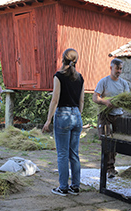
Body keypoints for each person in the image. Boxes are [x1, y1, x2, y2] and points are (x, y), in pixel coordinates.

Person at [42, 48, 85, 196]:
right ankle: (75, 186)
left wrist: (48, 120)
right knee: (74, 154)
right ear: (75, 61)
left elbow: (55, 100)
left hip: (63, 116)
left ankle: (63, 187)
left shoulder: (58, 76)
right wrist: (77, 115)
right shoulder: (80, 77)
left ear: (63, 59)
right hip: (76, 116)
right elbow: (81, 100)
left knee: (62, 154)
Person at [92, 58, 130, 178]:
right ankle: (107, 168)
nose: (119, 71)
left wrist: (121, 103)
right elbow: (95, 98)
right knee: (107, 141)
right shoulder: (104, 82)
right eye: (117, 68)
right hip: (105, 116)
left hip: (118, 115)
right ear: (111, 68)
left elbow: (128, 100)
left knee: (116, 143)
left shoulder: (124, 84)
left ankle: (111, 168)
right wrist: (105, 102)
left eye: (120, 69)